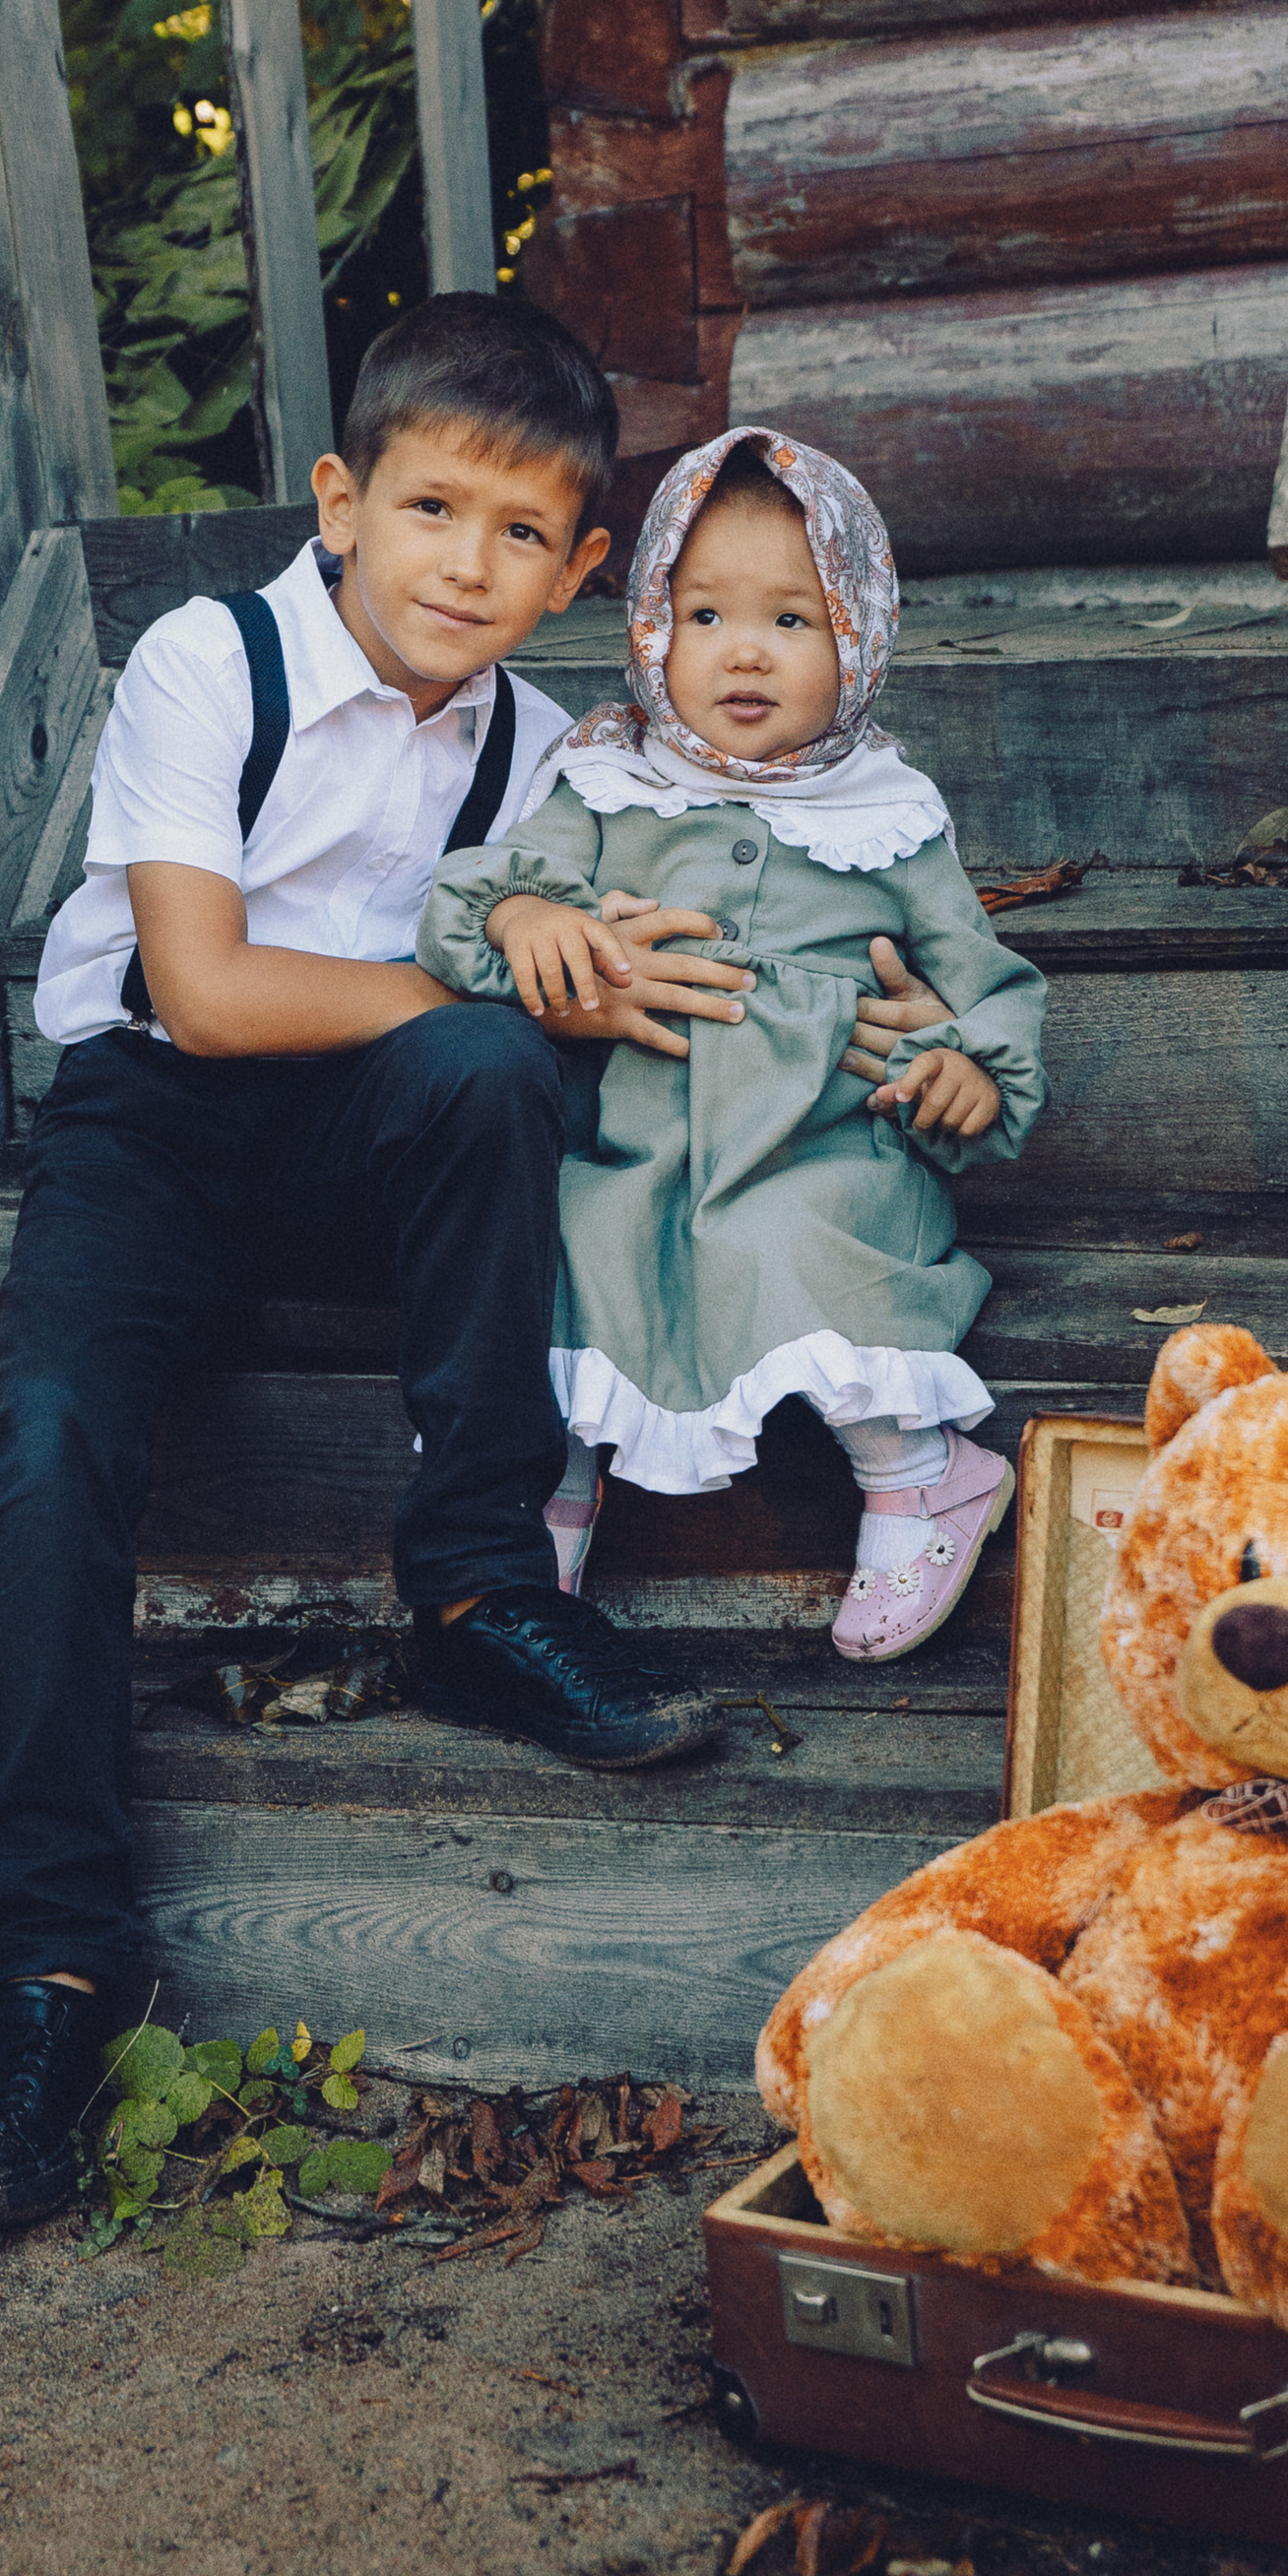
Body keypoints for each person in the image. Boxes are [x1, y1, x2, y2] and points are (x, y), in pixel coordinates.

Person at [0, 308, 953, 2234]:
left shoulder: (552, 752)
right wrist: (491, 969)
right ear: (340, 502)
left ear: (573, 578)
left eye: (518, 533)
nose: (464, 563)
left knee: (492, 1061)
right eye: (428, 509)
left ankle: (474, 1593)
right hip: (148, 1121)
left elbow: (661, 936)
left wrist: (645, 971)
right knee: (44, 1448)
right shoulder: (202, 662)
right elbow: (204, 994)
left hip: (363, 1144)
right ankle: (45, 1965)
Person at [417, 424, 1046, 1664]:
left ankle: (920, 1474)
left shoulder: (888, 820)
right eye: (703, 616)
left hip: (822, 1148)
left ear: (858, 635)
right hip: (630, 1140)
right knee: (562, 1252)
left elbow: (984, 981)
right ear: (652, 624)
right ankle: (539, 1491)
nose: (743, 650)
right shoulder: (606, 784)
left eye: (795, 621)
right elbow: (478, 901)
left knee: (791, 1249)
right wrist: (532, 916)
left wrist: (970, 1068)